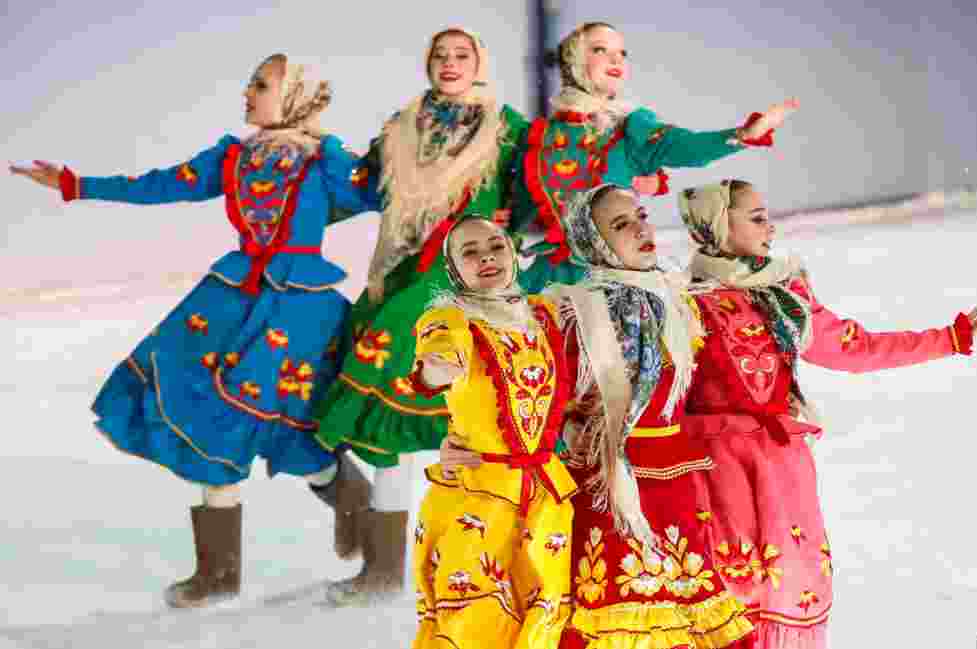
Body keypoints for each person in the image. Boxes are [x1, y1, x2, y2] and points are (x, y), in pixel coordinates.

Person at [9, 54, 376, 607]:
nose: (248, 91)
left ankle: (358, 510)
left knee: (296, 433)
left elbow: (386, 193)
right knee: (210, 417)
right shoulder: (232, 157)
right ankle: (219, 573)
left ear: (296, 95)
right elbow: (161, 185)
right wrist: (74, 183)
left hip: (299, 309)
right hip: (234, 300)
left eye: (261, 84)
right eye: (250, 81)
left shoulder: (327, 160)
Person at [677, 180, 977, 647]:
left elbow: (855, 348)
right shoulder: (682, 304)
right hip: (716, 474)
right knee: (731, 594)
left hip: (781, 468)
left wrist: (950, 338)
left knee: (791, 588)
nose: (770, 227)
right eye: (755, 218)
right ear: (717, 226)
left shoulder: (784, 293)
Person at [312, 27, 532, 605]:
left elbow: (542, 189)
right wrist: (311, 168)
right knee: (394, 417)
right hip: (403, 272)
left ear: (480, 62)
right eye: (440, 55)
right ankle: (386, 570)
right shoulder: (401, 125)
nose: (450, 63)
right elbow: (363, 188)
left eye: (462, 55)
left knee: (471, 419)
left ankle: (509, 563)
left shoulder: (508, 128)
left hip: (464, 276)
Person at [548, 184, 755, 648]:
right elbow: (539, 397)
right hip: (610, 487)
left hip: (677, 480)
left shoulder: (677, 299)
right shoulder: (573, 310)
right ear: (592, 241)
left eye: (640, 215)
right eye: (621, 225)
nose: (642, 228)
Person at [510, 21, 797, 293]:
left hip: (615, 279)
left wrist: (742, 135)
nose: (616, 59)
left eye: (622, 53)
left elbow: (686, 147)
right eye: (600, 50)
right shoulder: (539, 135)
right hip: (551, 279)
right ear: (573, 59)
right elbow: (516, 208)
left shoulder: (629, 128)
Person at [410, 215, 576, 647]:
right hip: (481, 492)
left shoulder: (541, 312)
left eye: (496, 246)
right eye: (469, 252)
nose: (486, 257)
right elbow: (434, 367)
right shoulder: (451, 319)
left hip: (545, 493)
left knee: (545, 616)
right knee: (476, 620)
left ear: (513, 253)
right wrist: (437, 368)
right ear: (454, 269)